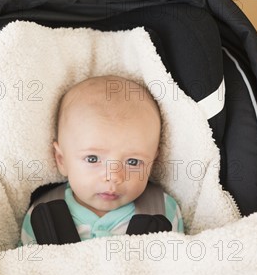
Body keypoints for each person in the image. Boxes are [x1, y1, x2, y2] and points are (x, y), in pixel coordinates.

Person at [20, 75, 184, 245]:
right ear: (61, 160)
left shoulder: (162, 210)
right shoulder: (42, 216)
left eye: (133, 162)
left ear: (152, 163)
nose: (113, 176)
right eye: (92, 159)